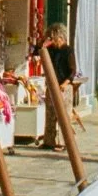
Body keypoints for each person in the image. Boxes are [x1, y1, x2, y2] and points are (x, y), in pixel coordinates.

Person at [36, 22, 81, 151]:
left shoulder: (68, 50)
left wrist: (65, 83)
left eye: (54, 38)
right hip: (51, 85)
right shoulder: (51, 50)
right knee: (50, 114)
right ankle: (49, 141)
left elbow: (73, 70)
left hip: (63, 86)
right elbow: (38, 52)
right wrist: (44, 45)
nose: (53, 41)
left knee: (64, 115)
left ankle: (63, 142)